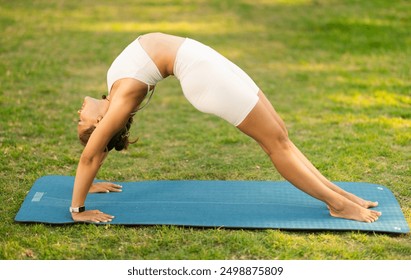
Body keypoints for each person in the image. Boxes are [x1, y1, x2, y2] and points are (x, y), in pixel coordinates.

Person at [71, 32, 381, 223]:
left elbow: (97, 151)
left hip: (203, 59)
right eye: (81, 123)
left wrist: (93, 181)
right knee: (275, 143)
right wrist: (78, 208)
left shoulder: (113, 91)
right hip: (203, 76)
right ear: (100, 124)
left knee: (281, 133)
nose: (78, 114)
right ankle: (338, 205)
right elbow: (91, 155)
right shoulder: (121, 99)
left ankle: (343, 195)